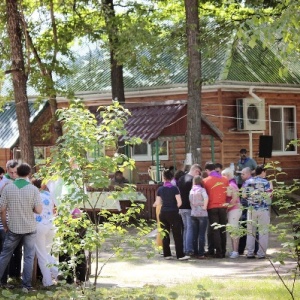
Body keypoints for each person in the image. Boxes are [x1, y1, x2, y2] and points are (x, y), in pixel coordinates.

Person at [0, 163, 42, 292]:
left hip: (13, 227)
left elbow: (2, 209)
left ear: (17, 173)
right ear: (29, 174)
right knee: (29, 256)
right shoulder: (33, 189)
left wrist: (5, 225)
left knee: (5, 255)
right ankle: (26, 285)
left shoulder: (8, 188)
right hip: (29, 227)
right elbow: (39, 210)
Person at [153, 169, 189, 260]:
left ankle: (167, 254)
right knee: (177, 234)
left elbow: (157, 202)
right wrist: (174, 207)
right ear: (172, 177)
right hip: (173, 212)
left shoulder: (160, 189)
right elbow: (179, 202)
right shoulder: (174, 188)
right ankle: (180, 255)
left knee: (165, 233)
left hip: (163, 212)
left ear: (164, 178)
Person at [32, 178, 58, 287]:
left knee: (42, 256)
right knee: (46, 254)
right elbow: (55, 209)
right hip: (51, 225)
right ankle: (58, 273)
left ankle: (49, 280)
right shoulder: (50, 195)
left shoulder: (35, 196)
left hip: (39, 226)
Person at [0, 160, 22, 287]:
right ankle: (4, 280)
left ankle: (14, 274)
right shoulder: (5, 183)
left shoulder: (23, 181)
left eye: (15, 172)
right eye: (11, 172)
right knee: (5, 251)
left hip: (15, 221)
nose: (13, 175)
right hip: (6, 223)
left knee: (16, 250)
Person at [244, 165, 272, 259]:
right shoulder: (266, 182)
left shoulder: (248, 182)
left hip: (251, 209)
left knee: (250, 231)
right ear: (263, 172)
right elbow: (269, 196)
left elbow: (244, 195)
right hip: (263, 209)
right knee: (263, 231)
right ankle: (261, 253)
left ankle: (250, 252)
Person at [203, 162, 229, 258]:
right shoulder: (225, 179)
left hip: (212, 207)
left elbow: (204, 195)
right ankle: (223, 251)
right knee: (223, 229)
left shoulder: (205, 181)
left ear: (207, 170)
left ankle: (218, 252)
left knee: (215, 230)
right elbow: (228, 193)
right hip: (223, 206)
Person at [177, 164, 202, 256]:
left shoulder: (181, 178)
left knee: (186, 228)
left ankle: (184, 248)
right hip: (189, 207)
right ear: (196, 171)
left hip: (181, 207)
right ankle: (189, 249)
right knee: (190, 228)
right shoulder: (192, 180)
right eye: (199, 173)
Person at [221, 168, 242, 259]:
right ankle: (234, 250)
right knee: (233, 229)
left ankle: (235, 251)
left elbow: (234, 199)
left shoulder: (231, 185)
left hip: (234, 209)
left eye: (223, 175)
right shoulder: (231, 184)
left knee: (234, 230)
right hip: (234, 209)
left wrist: (227, 207)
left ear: (228, 175)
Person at [189, 175, 208, 259]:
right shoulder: (202, 190)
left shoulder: (192, 190)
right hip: (202, 213)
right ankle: (201, 253)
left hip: (193, 213)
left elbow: (190, 200)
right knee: (202, 234)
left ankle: (195, 251)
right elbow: (206, 198)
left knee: (195, 234)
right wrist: (204, 206)